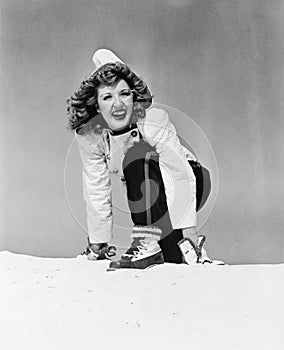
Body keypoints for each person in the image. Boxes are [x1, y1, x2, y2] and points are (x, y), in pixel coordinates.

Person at [67, 48, 223, 269]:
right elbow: (95, 187)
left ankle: (148, 240)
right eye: (107, 97)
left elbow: (179, 173)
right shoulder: (90, 136)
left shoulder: (153, 120)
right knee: (171, 259)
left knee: (137, 155)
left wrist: (189, 235)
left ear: (134, 96)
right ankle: (156, 246)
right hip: (149, 194)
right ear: (96, 105)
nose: (118, 104)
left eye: (124, 93)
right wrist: (98, 243)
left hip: (190, 178)